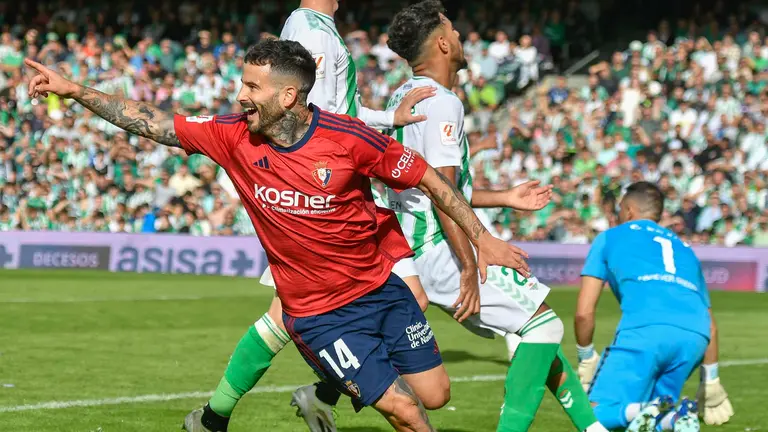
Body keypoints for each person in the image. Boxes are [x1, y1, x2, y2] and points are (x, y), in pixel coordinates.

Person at [25, 39, 531, 432]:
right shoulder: (231, 135)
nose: (240, 95)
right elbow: (154, 123)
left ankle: (318, 393)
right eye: (242, 83)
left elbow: (428, 178)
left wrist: (480, 237)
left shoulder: (349, 141)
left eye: (252, 87)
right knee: (407, 412)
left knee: (436, 394)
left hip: (382, 290)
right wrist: (76, 91)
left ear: (288, 96)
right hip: (318, 314)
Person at [292, 2, 607, 432]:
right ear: (442, 43)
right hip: (438, 245)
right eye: (454, 32)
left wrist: (505, 197)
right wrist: (470, 260)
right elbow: (442, 191)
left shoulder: (405, 96)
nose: (460, 39)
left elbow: (432, 184)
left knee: (532, 324)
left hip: (405, 244)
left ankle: (593, 428)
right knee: (544, 326)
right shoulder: (442, 103)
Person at [189, 0, 438, 429]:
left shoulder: (315, 26)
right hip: (320, 194)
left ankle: (301, 398)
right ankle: (221, 414)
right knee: (288, 316)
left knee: (393, 301)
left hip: (341, 189)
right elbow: (309, 117)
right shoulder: (313, 32)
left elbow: (336, 109)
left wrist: (384, 118)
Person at [576, 181, 734, 431]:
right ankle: (675, 419)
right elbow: (710, 324)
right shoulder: (685, 249)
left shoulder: (609, 237)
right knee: (650, 420)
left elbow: (584, 313)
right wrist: (710, 380)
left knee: (592, 414)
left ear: (628, 211)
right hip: (694, 337)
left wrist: (586, 356)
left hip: (646, 330)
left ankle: (658, 413)